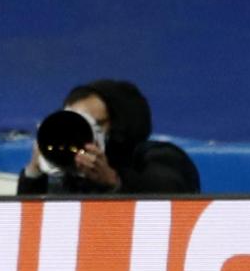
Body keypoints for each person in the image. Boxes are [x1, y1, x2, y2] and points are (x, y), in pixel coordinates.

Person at [18, 79, 200, 195]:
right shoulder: (69, 175)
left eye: (95, 124)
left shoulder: (159, 156)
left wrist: (113, 181)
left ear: (120, 124)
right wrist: (35, 172)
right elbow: (28, 229)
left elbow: (172, 197)